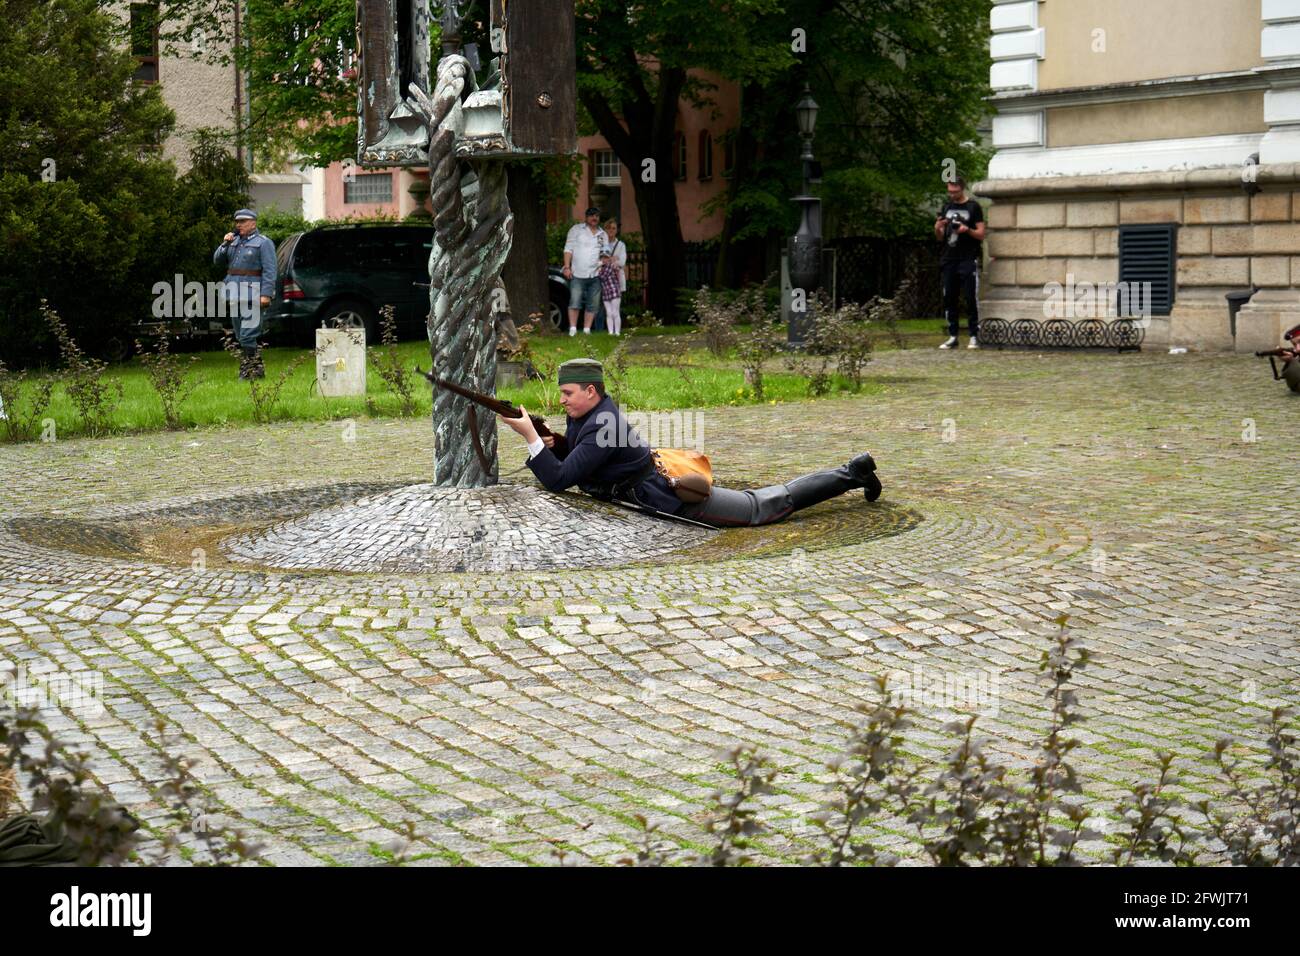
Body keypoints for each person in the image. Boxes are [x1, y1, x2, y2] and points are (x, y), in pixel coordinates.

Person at [497, 358, 883, 527]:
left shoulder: (603, 422)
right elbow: (582, 458)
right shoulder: (586, 414)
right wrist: (553, 442)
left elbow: (560, 480)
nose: (561, 399)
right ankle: (852, 472)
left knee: (761, 507)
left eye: (567, 392)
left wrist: (531, 437)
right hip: (649, 482)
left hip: (665, 493)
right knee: (760, 502)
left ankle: (852, 472)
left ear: (591, 391)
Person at [214, 208, 276, 379]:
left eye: (243, 222)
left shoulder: (263, 243)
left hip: (253, 296)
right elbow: (217, 260)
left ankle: (247, 369)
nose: (238, 225)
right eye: (237, 222)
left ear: (253, 223)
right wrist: (224, 244)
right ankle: (257, 369)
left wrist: (266, 294)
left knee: (248, 334)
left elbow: (270, 270)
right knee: (241, 335)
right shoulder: (233, 242)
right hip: (234, 294)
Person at [934, 174, 986, 350]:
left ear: (962, 188)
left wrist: (967, 230)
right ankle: (953, 335)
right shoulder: (947, 206)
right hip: (949, 258)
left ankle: (973, 335)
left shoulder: (973, 207)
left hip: (967, 258)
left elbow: (981, 234)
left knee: (971, 297)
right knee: (949, 297)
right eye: (949, 191)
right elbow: (940, 237)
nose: (951, 195)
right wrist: (938, 228)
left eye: (954, 191)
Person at [561, 206, 610, 336]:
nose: (594, 218)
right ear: (586, 217)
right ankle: (573, 329)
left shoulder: (603, 234)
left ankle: (587, 330)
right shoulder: (576, 230)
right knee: (575, 301)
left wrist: (602, 263)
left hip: (595, 274)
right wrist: (567, 267)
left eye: (597, 216)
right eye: (591, 215)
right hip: (577, 273)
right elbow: (568, 249)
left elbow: (605, 254)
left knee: (593, 304)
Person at [599, 219, 628, 336]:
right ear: (605, 229)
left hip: (615, 281)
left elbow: (622, 261)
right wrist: (612, 259)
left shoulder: (620, 245)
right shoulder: (600, 244)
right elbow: (597, 260)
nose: (611, 230)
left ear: (616, 230)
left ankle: (616, 331)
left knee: (615, 310)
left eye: (613, 228)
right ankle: (602, 330)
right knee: (604, 310)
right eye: (608, 228)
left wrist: (611, 261)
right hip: (602, 282)